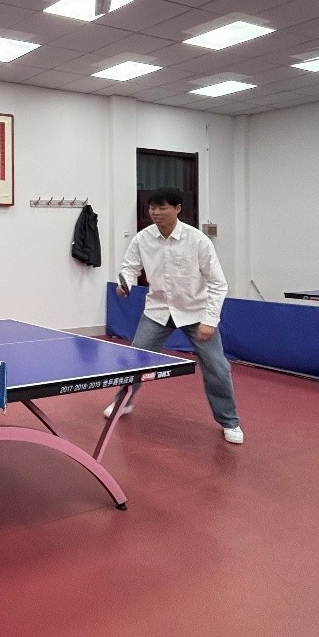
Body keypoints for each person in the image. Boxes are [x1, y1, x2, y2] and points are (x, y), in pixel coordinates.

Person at [112, 187, 244, 445]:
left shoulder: (198, 241)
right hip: (158, 310)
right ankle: (124, 402)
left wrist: (209, 320)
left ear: (177, 209)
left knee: (217, 367)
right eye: (152, 208)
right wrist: (125, 283)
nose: (156, 212)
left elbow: (218, 284)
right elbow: (130, 267)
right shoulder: (142, 239)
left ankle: (230, 421)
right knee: (135, 359)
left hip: (195, 312)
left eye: (162, 207)